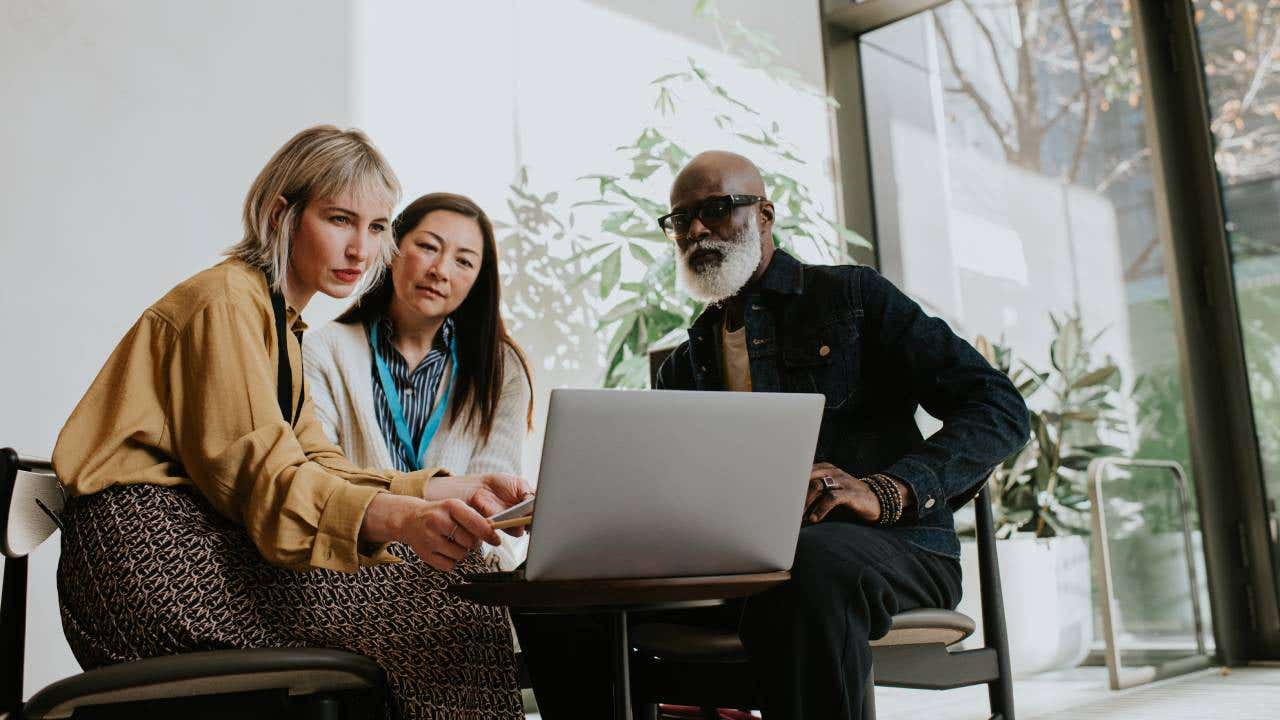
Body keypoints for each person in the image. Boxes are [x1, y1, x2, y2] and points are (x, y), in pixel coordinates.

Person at [513, 151, 1031, 720]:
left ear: (765, 213)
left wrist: (888, 490)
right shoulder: (685, 364)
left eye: (716, 208)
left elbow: (999, 408)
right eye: (680, 220)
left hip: (889, 554)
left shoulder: (853, 299)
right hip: (740, 573)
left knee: (805, 567)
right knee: (550, 590)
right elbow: (673, 494)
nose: (697, 230)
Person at [52, 126, 528, 720]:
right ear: (282, 215)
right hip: (146, 562)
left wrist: (450, 489)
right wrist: (406, 518)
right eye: (339, 220)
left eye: (377, 228)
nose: (361, 249)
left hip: (198, 544)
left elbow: (317, 464)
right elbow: (270, 482)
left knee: (452, 588)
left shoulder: (278, 321)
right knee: (444, 601)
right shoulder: (226, 302)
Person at [303, 192, 534, 570]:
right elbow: (321, 482)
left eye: (463, 261)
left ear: (478, 280)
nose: (441, 270)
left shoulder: (502, 368)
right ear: (392, 248)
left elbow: (495, 514)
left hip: (461, 573)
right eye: (428, 247)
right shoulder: (323, 350)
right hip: (353, 569)